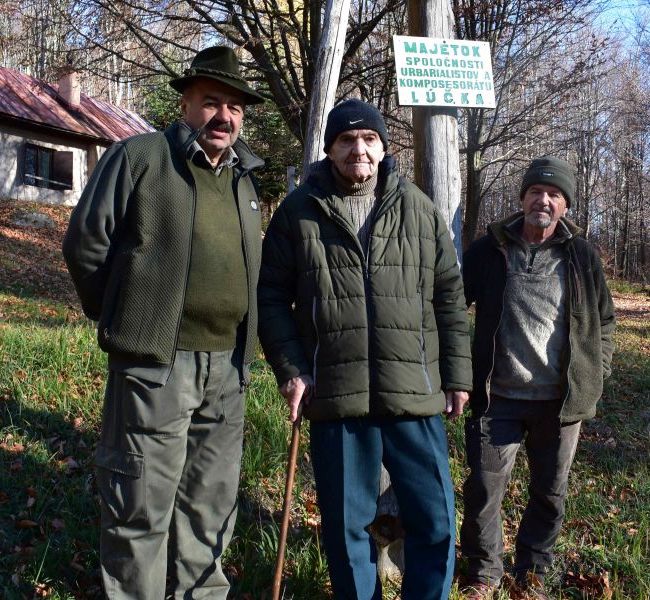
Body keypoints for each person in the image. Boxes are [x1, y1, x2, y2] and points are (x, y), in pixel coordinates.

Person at [62, 46, 264, 599]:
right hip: (156, 368)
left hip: (227, 372)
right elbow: (85, 245)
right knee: (140, 507)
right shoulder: (140, 157)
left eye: (236, 108)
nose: (225, 117)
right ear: (186, 103)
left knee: (210, 507)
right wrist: (127, 316)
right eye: (211, 102)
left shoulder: (247, 181)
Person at [258, 99, 473, 600]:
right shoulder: (298, 212)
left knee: (434, 521)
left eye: (369, 139)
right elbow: (269, 298)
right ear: (330, 148)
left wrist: (457, 375)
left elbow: (449, 296)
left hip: (414, 393)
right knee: (346, 528)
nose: (359, 149)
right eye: (347, 140)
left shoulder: (418, 208)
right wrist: (291, 368)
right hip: (336, 395)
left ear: (383, 146)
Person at [458, 157, 615, 599]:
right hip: (497, 396)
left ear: (564, 206)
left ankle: (530, 573)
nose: (542, 200)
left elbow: (605, 322)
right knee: (485, 489)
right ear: (522, 197)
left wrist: (595, 372)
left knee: (550, 492)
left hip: (560, 402)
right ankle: (484, 574)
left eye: (553, 195)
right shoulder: (489, 250)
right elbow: (451, 306)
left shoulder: (582, 256)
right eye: (535, 192)